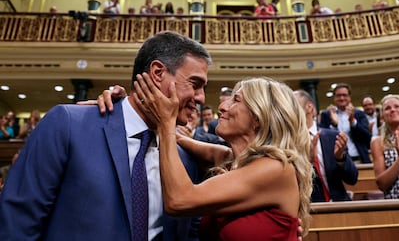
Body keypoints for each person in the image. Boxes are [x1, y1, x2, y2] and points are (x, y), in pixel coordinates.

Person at [0, 31, 212, 241]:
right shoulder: (68, 125)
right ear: (157, 73)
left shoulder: (185, 160)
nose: (201, 97)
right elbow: (18, 223)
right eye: (195, 84)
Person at [131, 75, 312, 239]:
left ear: (258, 117)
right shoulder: (230, 160)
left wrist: (166, 123)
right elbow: (185, 141)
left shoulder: (277, 169)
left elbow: (179, 200)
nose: (222, 107)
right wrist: (127, 108)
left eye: (235, 100)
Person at [294, 90, 358, 202]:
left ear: (309, 107)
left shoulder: (333, 136)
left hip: (341, 207)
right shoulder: (286, 143)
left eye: (292, 104)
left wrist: (340, 159)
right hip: (310, 211)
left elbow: (352, 179)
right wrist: (307, 162)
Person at [370, 94, 399, 199]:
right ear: (382, 116)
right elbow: (382, 184)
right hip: (396, 205)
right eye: (387, 108)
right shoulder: (378, 142)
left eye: (397, 106)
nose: (393, 110)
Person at [319, 83, 372, 163]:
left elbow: (367, 138)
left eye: (344, 95)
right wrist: (334, 125)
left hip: (358, 158)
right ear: (334, 98)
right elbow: (322, 139)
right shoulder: (327, 114)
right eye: (338, 95)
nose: (342, 98)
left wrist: (352, 121)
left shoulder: (359, 114)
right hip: (335, 160)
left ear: (349, 97)